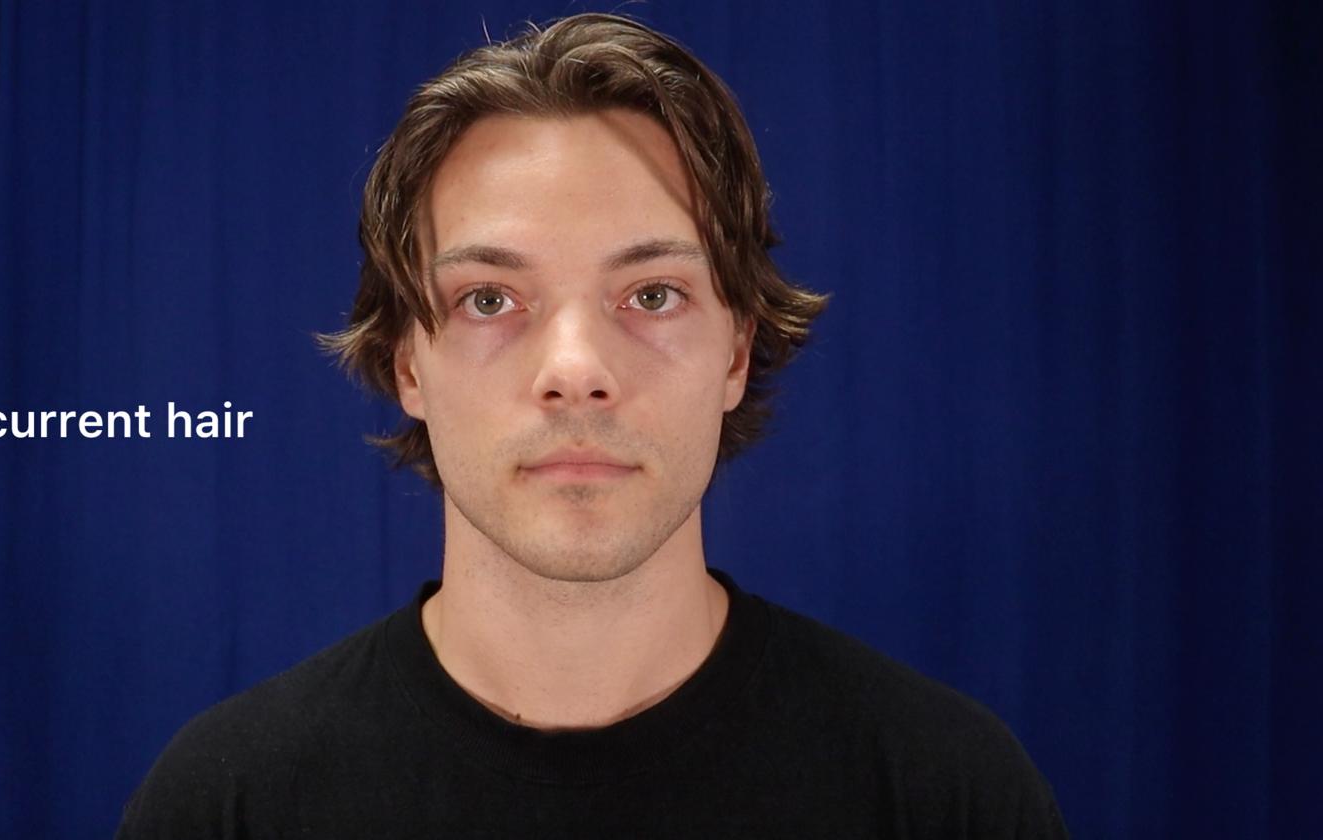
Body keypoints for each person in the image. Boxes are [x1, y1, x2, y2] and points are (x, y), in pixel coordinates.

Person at [118, 12, 1067, 838]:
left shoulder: (947, 798)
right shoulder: (226, 807)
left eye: (651, 294)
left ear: (736, 351)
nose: (576, 372)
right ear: (408, 363)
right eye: (490, 299)